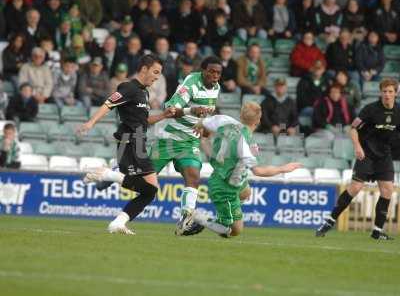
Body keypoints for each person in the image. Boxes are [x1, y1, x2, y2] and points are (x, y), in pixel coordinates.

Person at [78, 54, 176, 235]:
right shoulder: (128, 87)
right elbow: (109, 103)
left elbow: (143, 120)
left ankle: (118, 222)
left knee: (150, 192)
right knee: (150, 190)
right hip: (129, 142)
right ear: (144, 69)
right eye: (155, 72)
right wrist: (91, 123)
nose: (157, 76)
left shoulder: (144, 92)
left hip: (139, 142)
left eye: (159, 73)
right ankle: (108, 174)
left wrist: (163, 116)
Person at [190, 102, 302, 237]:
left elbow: (204, 122)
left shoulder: (225, 121)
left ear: (241, 115)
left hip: (229, 176)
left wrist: (200, 127)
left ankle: (226, 215)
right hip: (225, 186)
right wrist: (283, 168)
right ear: (258, 121)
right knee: (235, 231)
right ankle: (199, 217)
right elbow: (258, 171)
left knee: (246, 192)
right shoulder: (246, 143)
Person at [316, 78, 400, 240]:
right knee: (355, 188)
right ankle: (329, 221)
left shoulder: (399, 112)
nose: (387, 95)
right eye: (384, 91)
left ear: (396, 93)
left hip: (384, 155)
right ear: (380, 92)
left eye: (390, 92)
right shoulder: (370, 110)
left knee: (387, 190)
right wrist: (357, 147)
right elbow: (353, 129)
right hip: (366, 153)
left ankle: (377, 231)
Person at [149, 56, 223, 235]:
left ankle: (186, 220)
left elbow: (205, 115)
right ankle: (111, 172)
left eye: (218, 73)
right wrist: (192, 110)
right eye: (211, 71)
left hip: (190, 140)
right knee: (143, 181)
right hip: (170, 137)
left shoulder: (217, 88)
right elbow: (171, 110)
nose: (214, 75)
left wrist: (205, 126)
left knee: (193, 176)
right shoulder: (191, 83)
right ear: (202, 71)